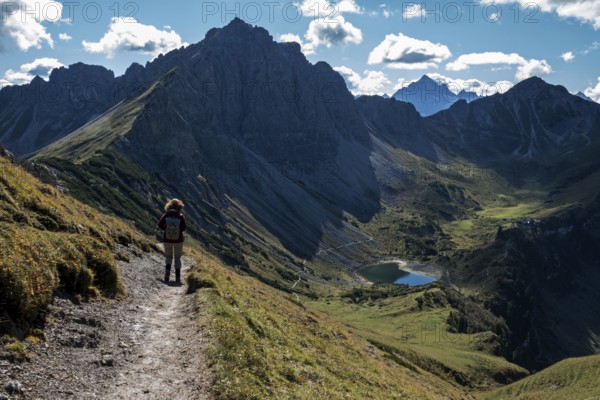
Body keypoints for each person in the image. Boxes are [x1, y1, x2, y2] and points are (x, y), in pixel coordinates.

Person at [157, 198, 187, 284]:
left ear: (169, 205)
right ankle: (177, 277)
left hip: (167, 239)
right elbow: (184, 228)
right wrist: (178, 232)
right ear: (179, 206)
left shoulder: (166, 215)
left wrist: (166, 229)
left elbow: (159, 225)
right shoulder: (180, 216)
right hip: (178, 240)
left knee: (168, 257)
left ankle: (167, 271)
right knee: (177, 258)